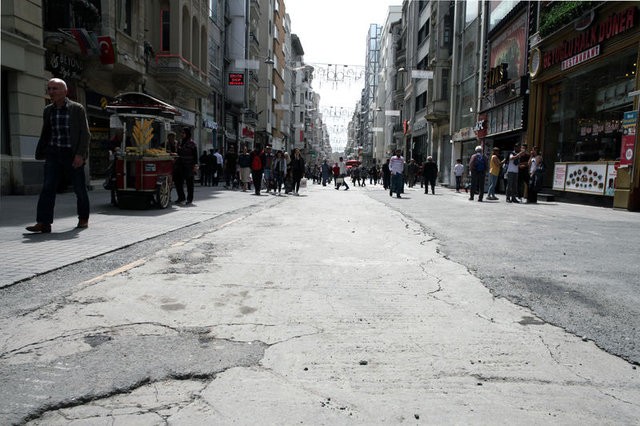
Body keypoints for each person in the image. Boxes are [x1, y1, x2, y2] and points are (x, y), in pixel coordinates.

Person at [27, 78, 91, 233]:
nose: (51, 92)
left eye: (55, 88)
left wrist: (80, 155)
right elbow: (47, 132)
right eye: (49, 88)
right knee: (48, 188)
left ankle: (83, 218)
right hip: (54, 154)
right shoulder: (48, 110)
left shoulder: (77, 109)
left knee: (79, 188)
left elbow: (85, 134)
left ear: (65, 91)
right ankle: (44, 223)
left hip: (72, 154)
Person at [173, 127, 198, 205]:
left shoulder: (192, 143)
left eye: (183, 133)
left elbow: (195, 156)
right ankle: (181, 197)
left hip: (189, 165)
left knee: (189, 184)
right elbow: (177, 152)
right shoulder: (179, 143)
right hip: (179, 165)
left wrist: (195, 166)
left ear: (187, 134)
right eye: (181, 133)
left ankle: (189, 199)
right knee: (178, 182)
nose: (182, 134)